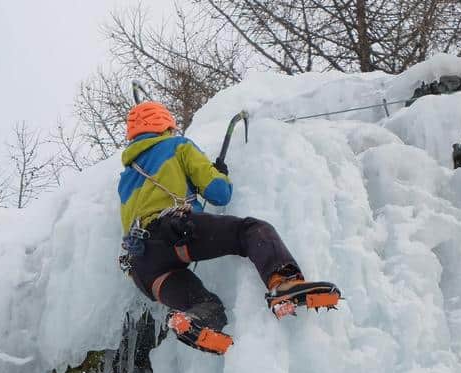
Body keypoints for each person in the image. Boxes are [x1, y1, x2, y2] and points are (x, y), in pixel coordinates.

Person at [118, 101, 340, 355]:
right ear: (166, 125)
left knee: (205, 306)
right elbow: (219, 193)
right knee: (250, 231)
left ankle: (195, 323)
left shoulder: (125, 178)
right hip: (176, 234)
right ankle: (284, 283)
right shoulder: (176, 145)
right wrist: (218, 174)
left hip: (143, 268)